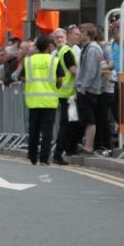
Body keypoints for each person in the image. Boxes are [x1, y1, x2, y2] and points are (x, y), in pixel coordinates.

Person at [22, 35, 63, 165]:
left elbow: (23, 78)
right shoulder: (54, 60)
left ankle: (32, 156)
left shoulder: (29, 61)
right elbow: (60, 80)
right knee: (47, 131)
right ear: (48, 46)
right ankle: (44, 158)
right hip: (49, 100)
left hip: (33, 100)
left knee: (33, 130)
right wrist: (54, 86)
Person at [75, 23, 104, 155]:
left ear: (88, 33)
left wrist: (83, 88)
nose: (79, 34)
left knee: (90, 119)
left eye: (81, 31)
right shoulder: (86, 48)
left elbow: (91, 71)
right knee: (87, 119)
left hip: (89, 90)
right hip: (85, 88)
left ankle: (89, 147)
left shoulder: (92, 49)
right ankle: (87, 144)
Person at [51, 28, 78, 165]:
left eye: (61, 37)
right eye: (57, 38)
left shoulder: (57, 53)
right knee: (66, 124)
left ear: (66, 37)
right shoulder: (66, 51)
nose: (60, 39)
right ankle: (59, 153)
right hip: (69, 94)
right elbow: (73, 70)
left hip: (63, 93)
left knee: (70, 122)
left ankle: (68, 149)